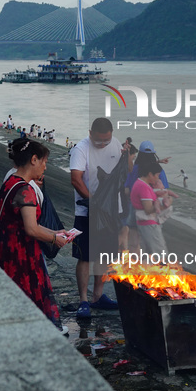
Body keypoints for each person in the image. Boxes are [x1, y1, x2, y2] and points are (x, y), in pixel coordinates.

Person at [0, 139, 69, 333]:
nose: (45, 167)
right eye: (44, 161)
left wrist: (55, 232)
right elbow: (31, 229)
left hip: (5, 248)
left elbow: (20, 224)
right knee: (29, 296)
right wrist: (54, 239)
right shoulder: (26, 190)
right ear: (33, 160)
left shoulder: (10, 181)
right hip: (21, 254)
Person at [70, 117, 123, 318]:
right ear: (90, 133)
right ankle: (84, 300)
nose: (102, 144)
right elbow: (75, 179)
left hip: (111, 212)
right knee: (85, 256)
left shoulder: (116, 144)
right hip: (87, 211)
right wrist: (95, 203)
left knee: (104, 255)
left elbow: (123, 172)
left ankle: (98, 296)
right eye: (99, 140)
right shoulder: (81, 149)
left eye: (106, 141)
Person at [130, 161, 172, 256]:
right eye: (157, 175)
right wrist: (165, 205)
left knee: (149, 253)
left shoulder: (140, 184)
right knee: (160, 254)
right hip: (148, 224)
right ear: (150, 174)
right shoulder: (143, 187)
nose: (158, 178)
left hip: (144, 223)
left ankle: (145, 269)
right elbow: (148, 209)